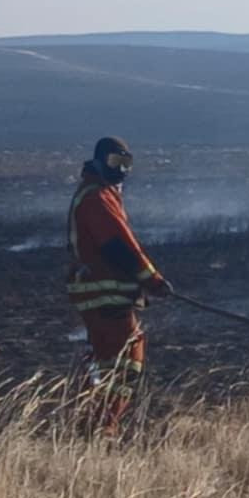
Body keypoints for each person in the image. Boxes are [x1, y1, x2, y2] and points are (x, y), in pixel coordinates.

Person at [65, 136, 172, 435]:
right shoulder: (97, 198)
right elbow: (120, 246)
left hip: (97, 292)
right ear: (100, 161)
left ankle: (89, 424)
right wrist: (153, 280)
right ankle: (102, 427)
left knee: (103, 359)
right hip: (104, 292)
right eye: (116, 163)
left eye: (126, 164)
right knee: (126, 358)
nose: (122, 171)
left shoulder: (99, 193)